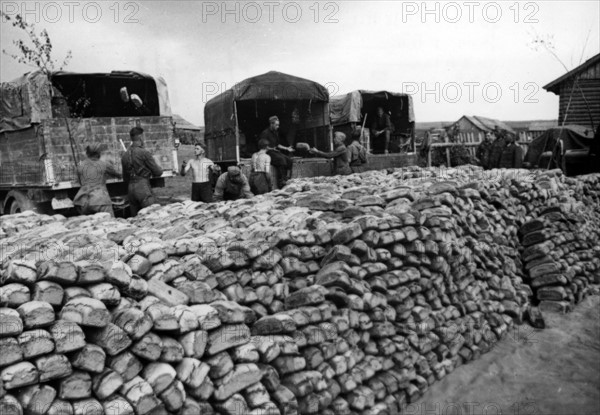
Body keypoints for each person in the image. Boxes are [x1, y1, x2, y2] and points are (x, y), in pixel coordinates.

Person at [121, 127, 164, 216]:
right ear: (141, 137)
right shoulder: (144, 153)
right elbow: (158, 172)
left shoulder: (124, 155)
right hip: (142, 187)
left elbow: (125, 178)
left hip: (130, 189)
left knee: (135, 218)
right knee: (152, 215)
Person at [73, 143, 122, 217]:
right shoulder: (103, 164)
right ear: (99, 153)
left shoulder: (80, 166)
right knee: (110, 223)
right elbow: (119, 175)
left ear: (87, 153)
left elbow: (79, 182)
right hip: (100, 200)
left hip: (83, 202)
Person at [259, 116, 294, 188]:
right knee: (281, 160)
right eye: (276, 125)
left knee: (289, 160)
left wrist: (286, 148)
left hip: (275, 152)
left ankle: (287, 178)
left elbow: (278, 144)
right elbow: (263, 146)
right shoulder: (265, 133)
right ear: (271, 124)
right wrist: (272, 148)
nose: (278, 126)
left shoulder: (275, 133)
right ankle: (281, 182)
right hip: (268, 152)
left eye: (278, 125)